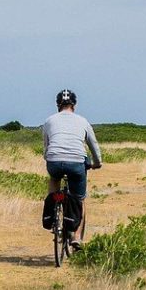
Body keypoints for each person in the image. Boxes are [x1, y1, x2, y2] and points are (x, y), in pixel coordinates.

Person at [42, 89, 101, 247]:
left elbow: (46, 147)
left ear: (57, 105)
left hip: (54, 161)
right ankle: (76, 237)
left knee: (54, 178)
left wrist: (50, 157)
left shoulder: (49, 121)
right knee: (80, 199)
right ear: (73, 105)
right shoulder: (83, 121)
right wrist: (97, 162)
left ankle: (53, 204)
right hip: (76, 163)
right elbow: (93, 145)